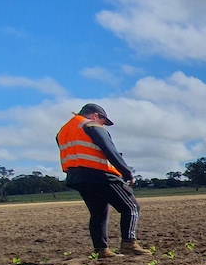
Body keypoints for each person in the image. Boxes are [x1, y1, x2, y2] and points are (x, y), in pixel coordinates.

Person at [56, 103, 148, 257]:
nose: (102, 125)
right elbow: (110, 150)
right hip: (99, 175)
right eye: (103, 121)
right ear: (95, 115)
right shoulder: (91, 125)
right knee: (131, 207)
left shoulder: (63, 131)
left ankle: (101, 250)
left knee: (98, 212)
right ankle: (128, 244)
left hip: (76, 177)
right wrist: (126, 173)